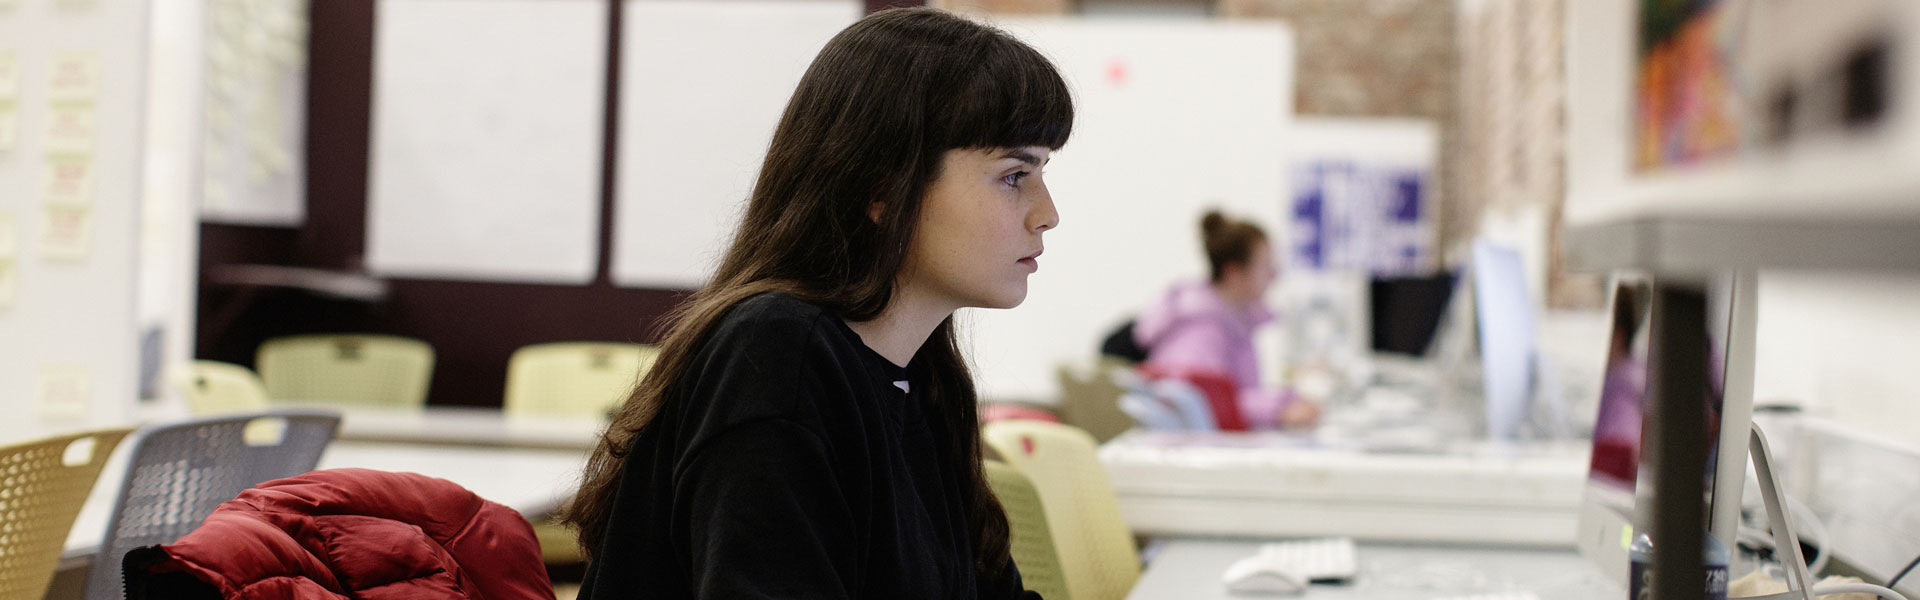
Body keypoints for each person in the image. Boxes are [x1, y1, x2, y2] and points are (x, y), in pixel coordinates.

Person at [563, 8, 1071, 599]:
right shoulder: (776, 356)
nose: (1047, 213)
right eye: (1015, 175)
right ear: (884, 188)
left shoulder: (920, 380)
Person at [1132, 210, 1320, 430]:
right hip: (1197, 452)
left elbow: (1231, 393)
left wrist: (1287, 400)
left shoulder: (1234, 321)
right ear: (1234, 273)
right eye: (1265, 265)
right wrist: (1279, 408)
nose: (1274, 275)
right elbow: (1207, 401)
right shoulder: (1199, 329)